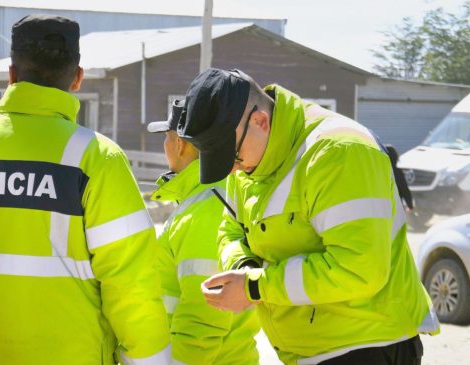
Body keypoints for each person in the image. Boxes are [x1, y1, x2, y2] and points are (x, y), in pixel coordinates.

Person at [0, 15, 170, 365]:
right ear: (77, 78)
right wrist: (149, 360)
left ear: (11, 74)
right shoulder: (97, 159)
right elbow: (131, 283)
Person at [177, 68, 439, 365]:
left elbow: (358, 267)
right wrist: (245, 267)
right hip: (310, 351)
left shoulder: (340, 152)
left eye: (233, 156)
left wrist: (255, 286)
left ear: (259, 121)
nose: (233, 169)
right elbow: (231, 230)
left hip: (366, 346)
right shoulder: (251, 157)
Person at [147, 100, 259, 364]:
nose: (164, 145)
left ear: (180, 144)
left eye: (166, 136)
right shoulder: (217, 195)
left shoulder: (206, 207)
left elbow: (203, 319)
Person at [385, 144, 414, 211]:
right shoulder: (396, 170)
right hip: (396, 207)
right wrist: (410, 205)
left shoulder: (380, 171)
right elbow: (404, 189)